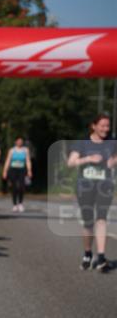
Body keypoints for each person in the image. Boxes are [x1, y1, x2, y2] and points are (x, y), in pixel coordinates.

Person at [67, 115, 116, 272]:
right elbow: (70, 163)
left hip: (105, 186)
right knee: (88, 223)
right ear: (93, 126)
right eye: (102, 126)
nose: (105, 129)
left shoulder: (112, 142)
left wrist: (113, 161)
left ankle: (101, 257)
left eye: (107, 126)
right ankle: (88, 253)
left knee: (101, 219)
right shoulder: (82, 143)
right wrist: (88, 159)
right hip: (85, 187)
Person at [2, 136, 32, 212]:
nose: (19, 142)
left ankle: (20, 203)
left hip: (22, 170)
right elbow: (8, 161)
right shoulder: (12, 150)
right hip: (13, 170)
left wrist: (29, 170)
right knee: (14, 187)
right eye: (18, 141)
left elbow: (28, 160)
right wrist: (5, 171)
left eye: (21, 141)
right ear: (15, 142)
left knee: (22, 187)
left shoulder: (25, 150)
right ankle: (15, 204)